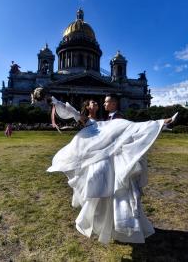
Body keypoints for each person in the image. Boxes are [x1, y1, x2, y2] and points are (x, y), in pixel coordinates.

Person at [45, 92, 177, 244]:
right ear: (87, 107)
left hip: (110, 160)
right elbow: (73, 112)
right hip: (98, 160)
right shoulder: (89, 120)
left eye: (102, 102)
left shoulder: (110, 121)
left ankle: (114, 225)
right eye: (94, 102)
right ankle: (104, 224)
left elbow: (127, 130)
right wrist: (55, 102)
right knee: (102, 193)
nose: (100, 104)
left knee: (111, 193)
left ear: (114, 103)